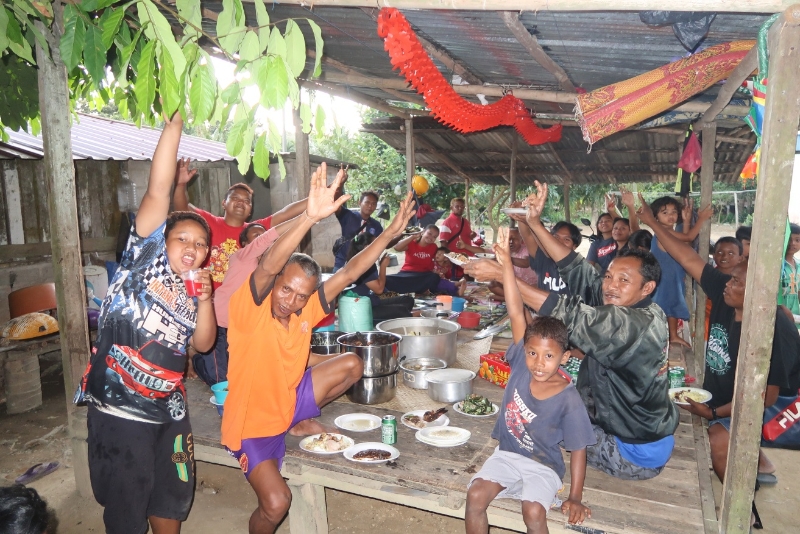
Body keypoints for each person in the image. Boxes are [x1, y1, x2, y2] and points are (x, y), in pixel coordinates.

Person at [221, 165, 417, 534]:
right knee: (277, 503)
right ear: (275, 282)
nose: (289, 300)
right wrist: (308, 217)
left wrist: (390, 234)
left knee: (351, 364)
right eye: (285, 289)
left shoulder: (303, 308)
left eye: (300, 295)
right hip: (251, 425)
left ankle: (294, 419)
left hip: (286, 404)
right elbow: (266, 265)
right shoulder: (248, 310)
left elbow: (348, 272)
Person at [465, 181, 679, 481]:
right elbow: (580, 271)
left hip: (634, 452)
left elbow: (572, 314)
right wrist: (535, 224)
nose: (610, 285)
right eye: (609, 276)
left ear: (647, 288)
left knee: (535, 420)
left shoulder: (633, 325)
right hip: (644, 432)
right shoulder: (637, 305)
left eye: (623, 280)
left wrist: (504, 273)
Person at [75, 113, 217, 533]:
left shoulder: (196, 288)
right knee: (126, 506)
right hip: (120, 405)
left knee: (172, 496)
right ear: (163, 240)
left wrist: (206, 301)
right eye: (183, 239)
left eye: (201, 244)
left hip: (169, 407)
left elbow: (204, 345)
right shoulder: (144, 257)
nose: (192, 248)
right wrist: (174, 125)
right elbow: (158, 187)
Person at [636, 196, 800, 487]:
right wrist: (651, 223)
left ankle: (742, 514)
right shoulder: (726, 297)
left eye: (737, 282)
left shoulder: (776, 329)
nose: (728, 284)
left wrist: (713, 413)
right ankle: (760, 463)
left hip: (761, 406)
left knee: (717, 443)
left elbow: (766, 399)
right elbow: (686, 257)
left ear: (757, 292)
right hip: (722, 397)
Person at [465, 229, 594, 534]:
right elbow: (515, 308)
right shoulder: (522, 364)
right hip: (508, 455)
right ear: (524, 350)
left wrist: (575, 497)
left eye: (549, 356)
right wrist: (506, 262)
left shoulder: (567, 397)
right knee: (475, 496)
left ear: (564, 358)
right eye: (533, 353)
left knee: (533, 511)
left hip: (543, 465)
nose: (539, 362)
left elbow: (578, 449)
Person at [172, 160, 307, 290]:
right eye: (235, 198)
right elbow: (182, 208)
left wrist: (317, 200)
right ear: (224, 203)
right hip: (206, 297)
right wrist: (180, 185)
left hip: (239, 302)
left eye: (246, 201)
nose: (241, 203)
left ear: (251, 209)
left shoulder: (255, 231)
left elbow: (284, 213)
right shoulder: (209, 222)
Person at [193, 220, 297, 386]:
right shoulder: (242, 257)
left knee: (242, 376)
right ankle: (198, 361)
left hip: (242, 329)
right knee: (220, 380)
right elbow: (266, 239)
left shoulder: (272, 269)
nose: (266, 240)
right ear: (246, 244)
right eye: (257, 236)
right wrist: (304, 218)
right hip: (218, 323)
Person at [645, 196, 712, 349]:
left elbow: (686, 244)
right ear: (655, 217)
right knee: (665, 306)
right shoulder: (663, 232)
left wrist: (687, 221)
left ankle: (671, 335)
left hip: (672, 276)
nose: (671, 215)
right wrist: (701, 219)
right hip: (666, 277)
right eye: (665, 212)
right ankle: (667, 336)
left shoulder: (670, 232)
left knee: (671, 305)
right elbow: (689, 237)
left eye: (674, 212)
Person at [346, 234, 415, 323]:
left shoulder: (368, 260)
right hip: (363, 309)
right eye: (377, 244)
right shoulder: (362, 265)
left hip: (372, 301)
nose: (381, 246)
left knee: (408, 300)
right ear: (367, 247)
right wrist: (383, 266)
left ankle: (399, 315)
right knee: (402, 311)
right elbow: (379, 289)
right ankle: (412, 316)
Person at [386, 224, 466, 296]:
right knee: (388, 280)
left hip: (424, 276)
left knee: (434, 277)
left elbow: (440, 260)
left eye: (434, 237)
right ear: (423, 232)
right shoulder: (412, 243)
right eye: (429, 233)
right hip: (407, 274)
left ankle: (417, 289)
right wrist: (412, 236)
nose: (431, 237)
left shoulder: (433, 247)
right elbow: (397, 248)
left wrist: (443, 269)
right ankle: (420, 290)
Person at [333, 190, 384, 271]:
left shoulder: (376, 225)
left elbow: (382, 243)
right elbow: (336, 204)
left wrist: (399, 235)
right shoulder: (348, 216)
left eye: (374, 203)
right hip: (343, 263)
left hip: (365, 266)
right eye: (367, 202)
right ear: (360, 203)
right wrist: (340, 184)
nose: (370, 206)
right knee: (337, 283)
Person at [488, 226, 539, 300]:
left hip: (529, 285)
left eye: (514, 238)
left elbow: (526, 263)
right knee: (492, 284)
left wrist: (507, 259)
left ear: (521, 239)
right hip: (514, 284)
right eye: (508, 239)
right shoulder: (505, 250)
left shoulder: (526, 249)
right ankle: (515, 299)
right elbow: (486, 252)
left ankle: (512, 299)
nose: (511, 241)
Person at [779, 223, 800, 330]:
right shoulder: (777, 265)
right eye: (789, 239)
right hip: (780, 315)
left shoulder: (799, 265)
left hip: (795, 316)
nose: (793, 243)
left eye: (797, 240)